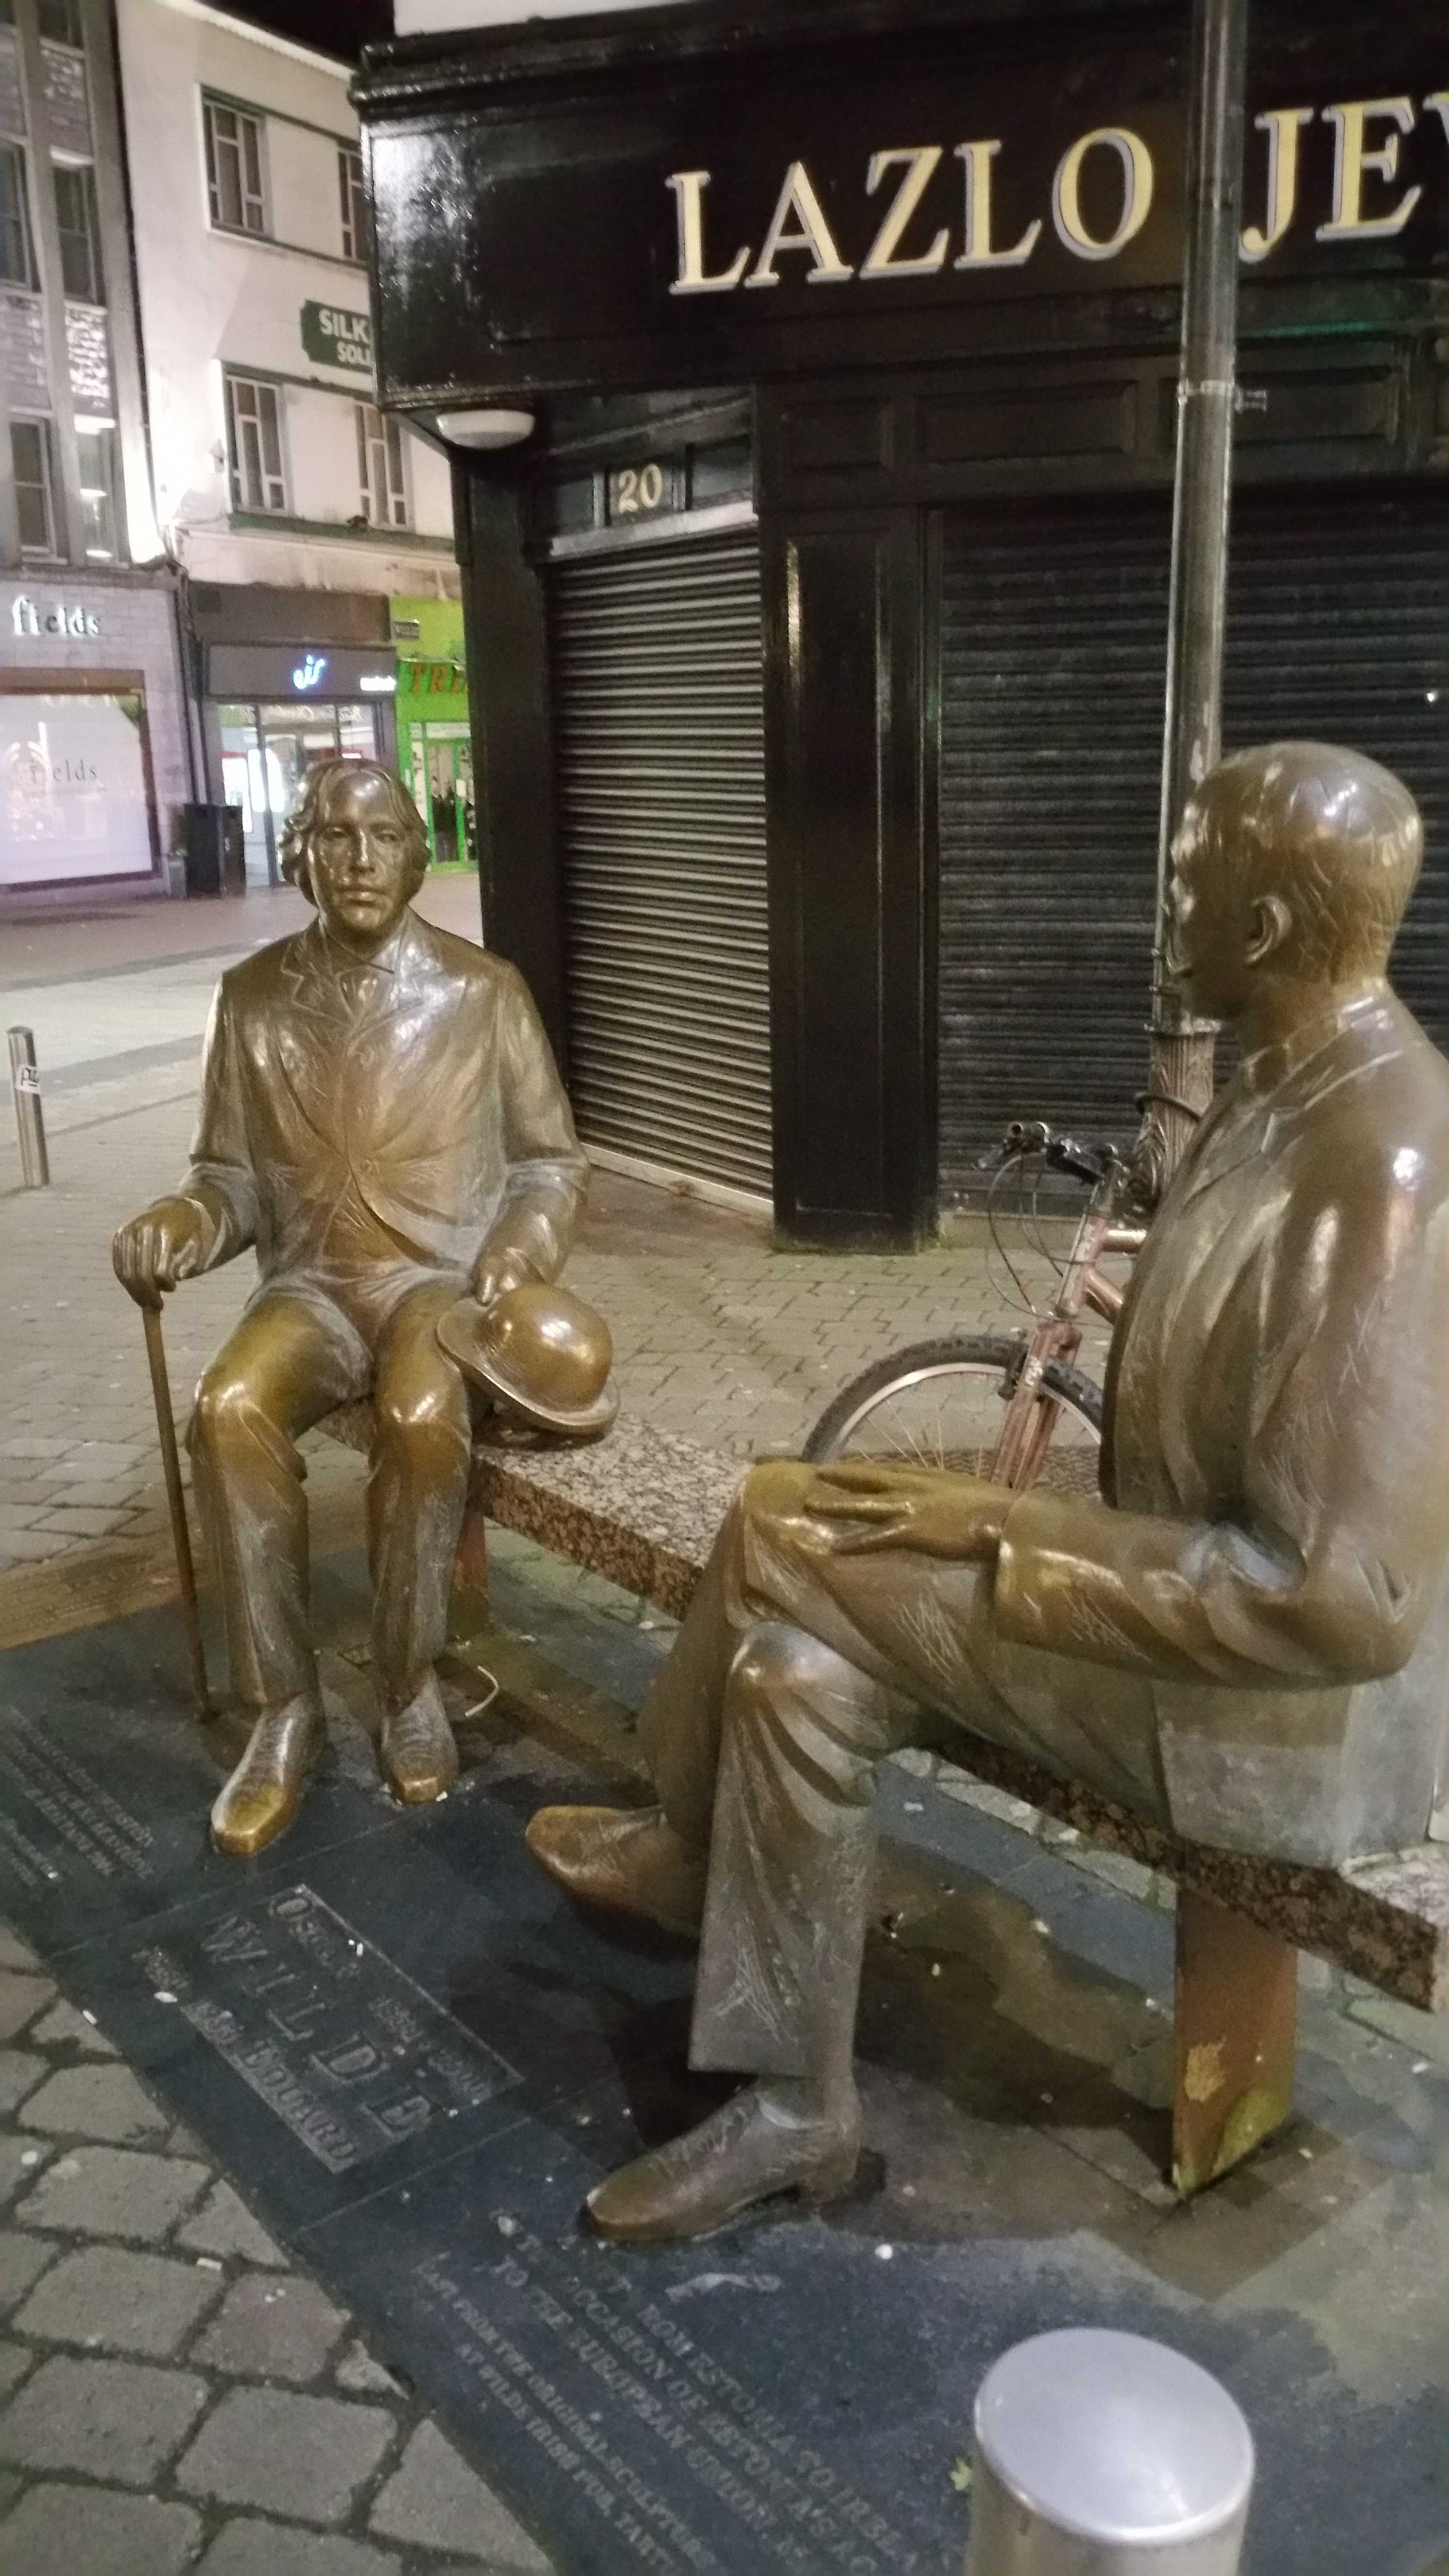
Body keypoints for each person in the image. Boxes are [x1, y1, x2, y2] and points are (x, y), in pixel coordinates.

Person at [527, 741, 1449, 2243]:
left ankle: (693, 1859)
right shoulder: (1283, 1085)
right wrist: (1006, 1519)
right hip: (1178, 1608)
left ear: (1264, 927)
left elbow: (1339, 1601)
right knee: (789, 1676)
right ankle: (795, 2109)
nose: (1163, 907)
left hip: (1268, 1719)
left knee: (779, 1521)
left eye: (1186, 882)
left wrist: (1011, 1528)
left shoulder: (1381, 1160)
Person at [114, 759, 588, 1856]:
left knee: (422, 1418)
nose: (361, 859)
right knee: (227, 1406)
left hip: (436, 1285)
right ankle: (283, 1708)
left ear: (419, 856)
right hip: (313, 1287)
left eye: (383, 838)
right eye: (335, 837)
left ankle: (409, 1680)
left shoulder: (483, 991)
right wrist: (184, 1223)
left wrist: (515, 1255)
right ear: (303, 858)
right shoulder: (251, 996)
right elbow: (227, 1175)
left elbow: (550, 1164)